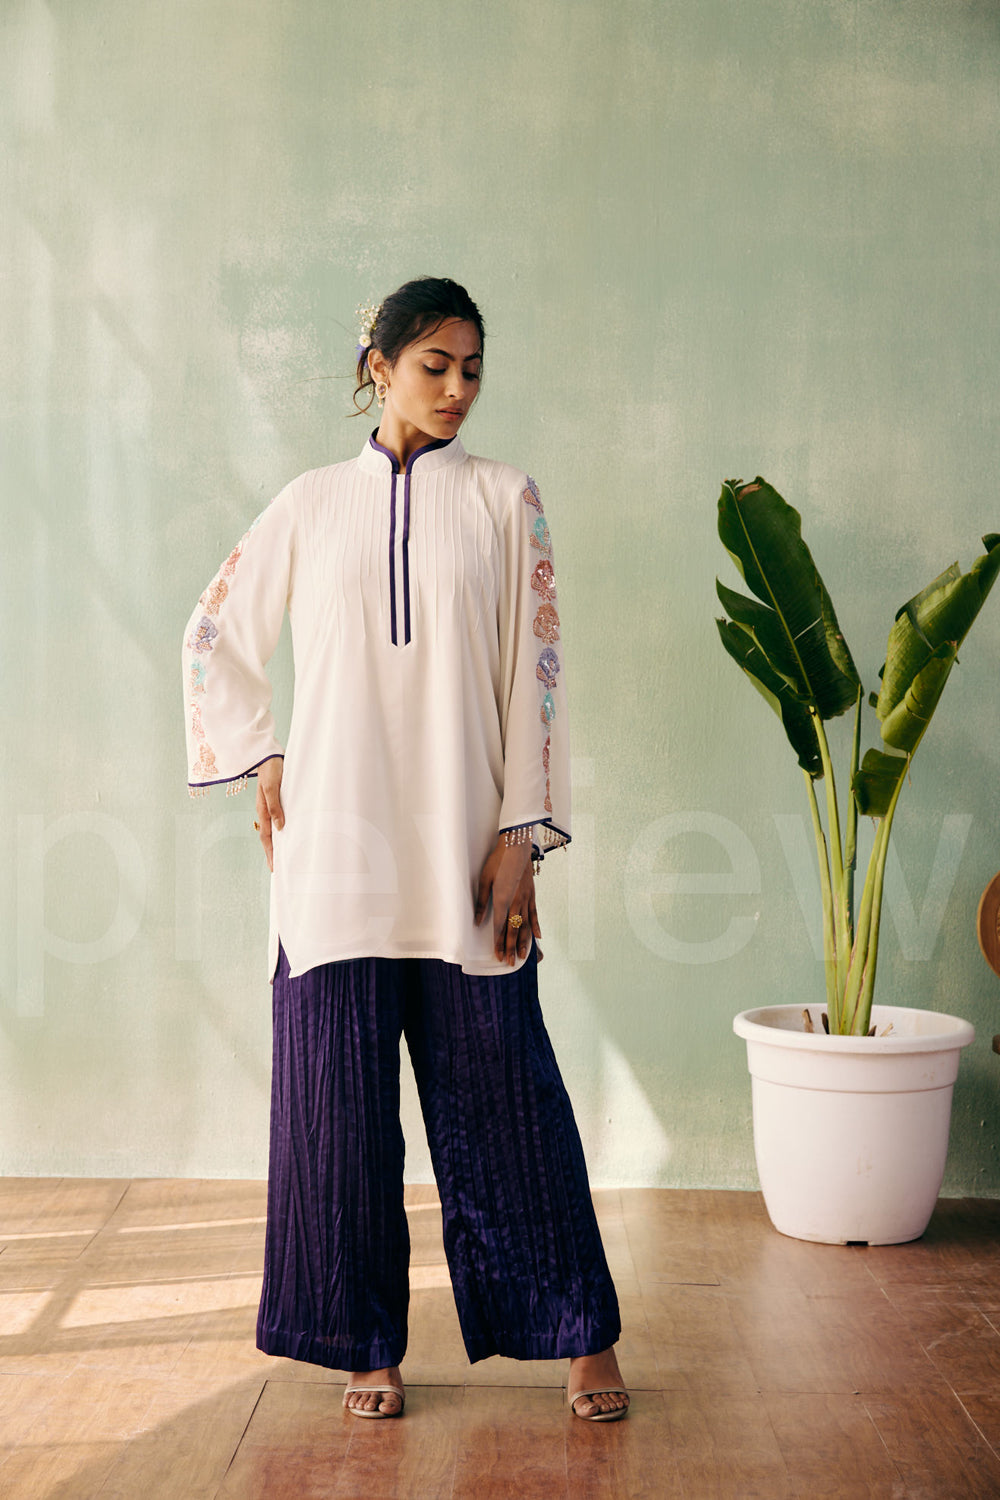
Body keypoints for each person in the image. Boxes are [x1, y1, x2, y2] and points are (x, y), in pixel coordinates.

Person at [182, 277, 628, 1422]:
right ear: (377, 366)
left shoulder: (504, 499)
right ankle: (362, 1345)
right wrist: (262, 755)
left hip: (463, 850)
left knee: (508, 1096)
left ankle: (579, 1336)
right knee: (334, 1115)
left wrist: (522, 835)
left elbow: (537, 678)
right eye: (434, 365)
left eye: (472, 368)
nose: (457, 389)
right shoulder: (309, 503)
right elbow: (213, 633)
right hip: (332, 859)